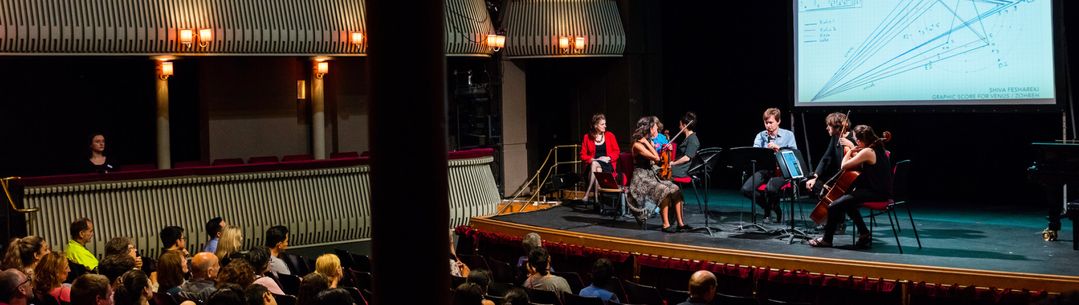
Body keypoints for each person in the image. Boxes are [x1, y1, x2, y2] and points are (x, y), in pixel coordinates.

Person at [809, 125, 893, 248]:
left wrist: (849, 151)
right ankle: (864, 233)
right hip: (880, 191)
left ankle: (827, 240)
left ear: (859, 141)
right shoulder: (877, 148)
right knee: (848, 203)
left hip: (876, 193)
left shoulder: (867, 152)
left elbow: (844, 166)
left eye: (854, 139)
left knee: (833, 206)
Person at [627, 116, 690, 232]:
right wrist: (646, 141)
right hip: (641, 179)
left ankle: (681, 224)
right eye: (653, 126)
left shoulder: (648, 141)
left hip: (651, 175)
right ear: (648, 128)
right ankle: (666, 225)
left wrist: (649, 142)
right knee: (664, 190)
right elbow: (656, 158)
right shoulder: (637, 145)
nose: (655, 128)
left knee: (676, 189)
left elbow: (658, 157)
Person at [741, 108, 798, 223]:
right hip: (766, 170)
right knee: (746, 189)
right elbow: (755, 154)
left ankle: (769, 212)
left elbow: (794, 155)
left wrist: (779, 148)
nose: (768, 126)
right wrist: (765, 150)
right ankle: (769, 207)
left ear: (778, 121)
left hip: (782, 171)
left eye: (771, 122)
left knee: (770, 188)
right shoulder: (761, 136)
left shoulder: (788, 135)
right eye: (766, 123)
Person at [805, 112, 854, 193]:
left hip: (849, 179)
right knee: (815, 185)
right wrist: (815, 176)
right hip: (837, 177)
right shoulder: (835, 137)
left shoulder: (853, 138)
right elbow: (826, 157)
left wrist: (851, 145)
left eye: (829, 125)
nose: (827, 128)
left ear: (838, 126)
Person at [670, 112, 700, 180]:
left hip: (682, 170)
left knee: (662, 171)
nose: (679, 127)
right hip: (679, 167)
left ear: (684, 125)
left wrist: (673, 163)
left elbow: (686, 158)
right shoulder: (688, 138)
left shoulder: (693, 139)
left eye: (680, 125)